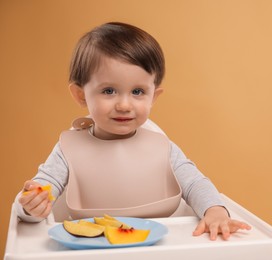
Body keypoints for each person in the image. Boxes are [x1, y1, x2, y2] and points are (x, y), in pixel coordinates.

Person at [15, 22, 251, 241]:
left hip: (161, 245)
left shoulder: (162, 147)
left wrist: (215, 211)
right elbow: (42, 190)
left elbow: (194, 183)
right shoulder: (68, 150)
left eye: (138, 92)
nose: (124, 105)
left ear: (153, 97)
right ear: (80, 95)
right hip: (91, 246)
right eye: (108, 91)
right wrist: (32, 207)